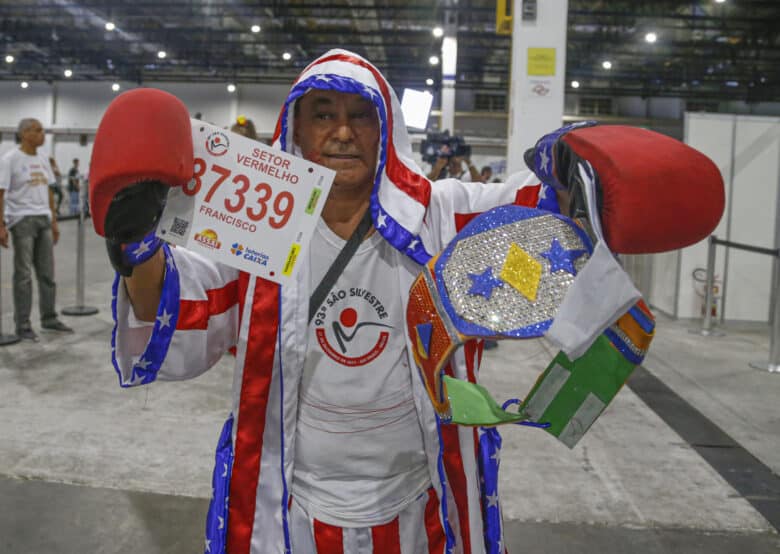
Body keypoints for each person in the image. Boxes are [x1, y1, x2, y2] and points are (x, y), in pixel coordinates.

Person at [90, 49, 724, 554]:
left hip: (422, 502)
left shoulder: (441, 215)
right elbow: (182, 309)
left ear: (384, 125)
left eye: (359, 115)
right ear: (297, 126)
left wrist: (583, 169)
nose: (341, 132)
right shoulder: (258, 228)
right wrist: (133, 247)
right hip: (291, 501)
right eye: (322, 113)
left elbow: (545, 219)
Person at [0, 118, 73, 341]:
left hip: (43, 219)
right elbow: (1, 192)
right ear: (24, 134)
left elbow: (49, 191)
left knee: (47, 273)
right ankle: (22, 324)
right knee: (23, 275)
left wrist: (53, 220)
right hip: (22, 220)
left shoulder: (42, 158)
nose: (42, 134)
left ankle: (49, 318)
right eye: (37, 130)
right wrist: (1, 224)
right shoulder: (10, 159)